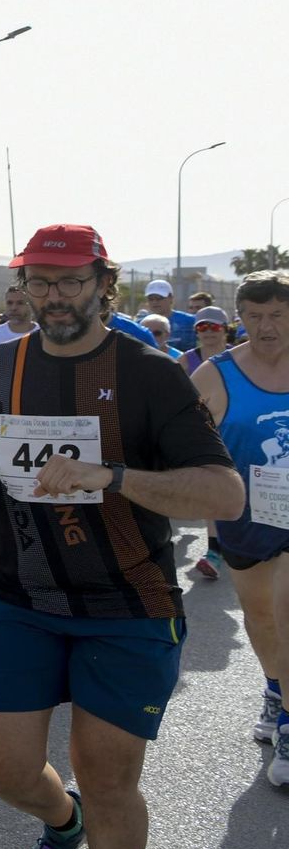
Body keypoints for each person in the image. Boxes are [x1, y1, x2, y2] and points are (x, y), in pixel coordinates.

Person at [0, 224, 243, 849]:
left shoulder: (150, 373)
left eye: (71, 280)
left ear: (105, 284)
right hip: (18, 594)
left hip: (127, 603)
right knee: (6, 770)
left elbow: (224, 494)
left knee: (107, 780)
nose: (54, 296)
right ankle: (61, 820)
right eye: (39, 281)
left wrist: (112, 476)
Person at [191, 270, 289, 784]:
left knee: (288, 612)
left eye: (278, 315)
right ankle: (275, 688)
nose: (266, 326)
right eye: (254, 316)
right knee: (261, 617)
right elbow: (180, 438)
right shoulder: (216, 374)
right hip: (247, 516)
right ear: (240, 318)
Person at [184, 306, 233, 581]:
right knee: (214, 490)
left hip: (238, 433)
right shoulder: (186, 360)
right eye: (202, 327)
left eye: (214, 327)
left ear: (225, 330)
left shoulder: (240, 358)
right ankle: (214, 551)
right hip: (207, 436)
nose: (208, 332)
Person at [141, 279, 195, 351]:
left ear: (171, 298)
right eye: (151, 299)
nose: (154, 302)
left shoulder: (190, 321)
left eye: (159, 298)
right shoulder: (141, 324)